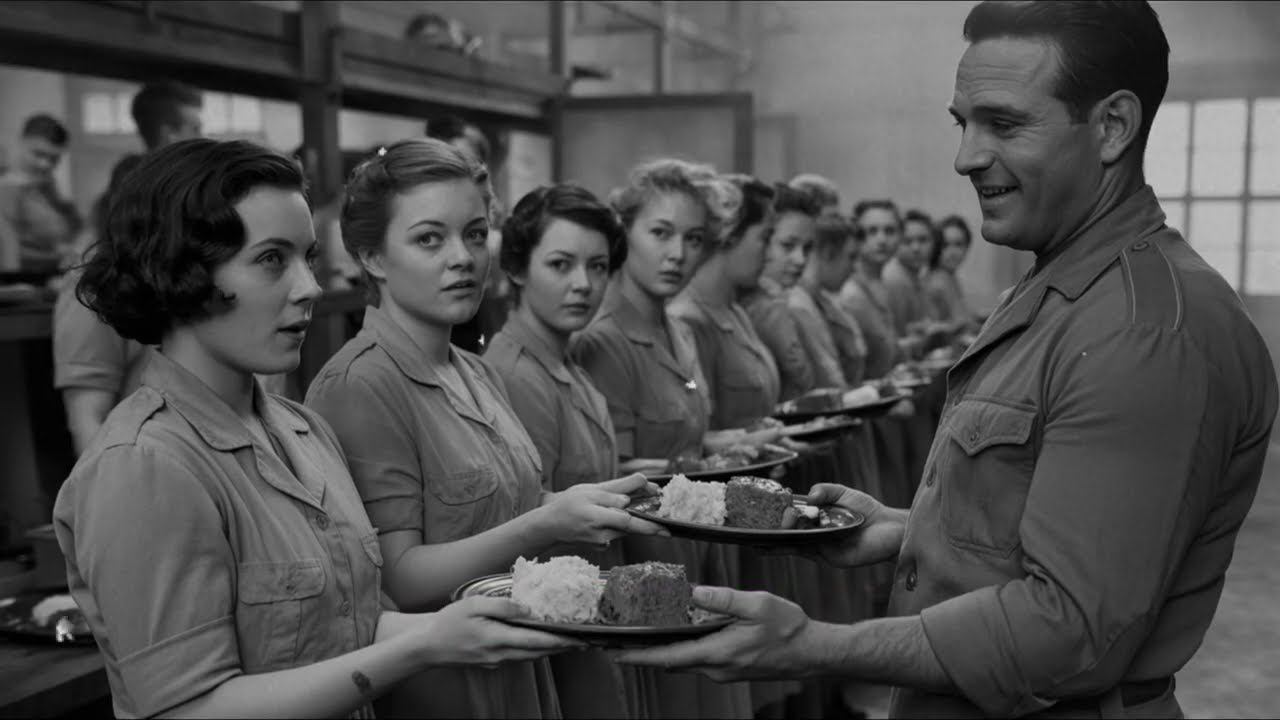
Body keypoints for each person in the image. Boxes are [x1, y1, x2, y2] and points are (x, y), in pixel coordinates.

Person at [614, 2, 1279, 718]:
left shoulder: (1140, 334)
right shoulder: (1062, 290)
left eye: (1004, 124)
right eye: (963, 124)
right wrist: (910, 531)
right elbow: (1046, 517)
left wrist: (818, 645)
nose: (966, 157)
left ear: (1112, 126)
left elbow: (1069, 632)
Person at [52, 138, 580, 719]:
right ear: (182, 270)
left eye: (307, 257)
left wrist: (471, 623)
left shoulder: (303, 431)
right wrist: (423, 646)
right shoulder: (143, 465)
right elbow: (186, 708)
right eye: (272, 260)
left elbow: (350, 623)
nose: (310, 286)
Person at [304, 138, 663, 719]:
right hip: (442, 688)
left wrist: (584, 501)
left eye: (474, 235)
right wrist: (546, 522)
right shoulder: (360, 386)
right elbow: (397, 577)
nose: (463, 258)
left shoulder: (473, 371)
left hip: (520, 672)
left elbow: (509, 505)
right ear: (372, 257)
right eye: (429, 238)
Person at [571, 158, 759, 720]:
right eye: (661, 233)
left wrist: (726, 445)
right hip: (644, 565)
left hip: (696, 548)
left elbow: (683, 434)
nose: (678, 253)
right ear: (624, 234)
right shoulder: (604, 339)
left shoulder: (677, 328)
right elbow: (613, 469)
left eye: (694, 238)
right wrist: (702, 469)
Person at [482, 183, 640, 719]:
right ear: (517, 268)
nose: (583, 284)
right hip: (556, 615)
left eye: (598, 267)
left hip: (591, 606)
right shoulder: (518, 375)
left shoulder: (563, 360)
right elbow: (529, 513)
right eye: (560, 264)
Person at [54, 79, 208, 456]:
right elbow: (87, 417)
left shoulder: (193, 268)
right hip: (140, 470)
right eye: (194, 127)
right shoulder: (94, 285)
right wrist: (110, 485)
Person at [427, 115, 508, 354]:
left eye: (472, 162)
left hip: (482, 322)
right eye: (454, 161)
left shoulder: (489, 221)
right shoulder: (424, 214)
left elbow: (499, 289)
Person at [739, 183, 822, 401]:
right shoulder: (764, 309)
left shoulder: (779, 303)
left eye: (807, 248)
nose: (800, 260)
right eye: (787, 245)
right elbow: (692, 386)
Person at [0, 114, 80, 274]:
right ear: (21, 142)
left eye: (54, 159)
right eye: (38, 154)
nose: (45, 164)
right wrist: (58, 254)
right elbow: (9, 254)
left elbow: (70, 227)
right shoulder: (7, 188)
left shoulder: (45, 185)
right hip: (26, 280)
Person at [924, 214, 981, 335]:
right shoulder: (939, 280)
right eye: (945, 245)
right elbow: (960, 325)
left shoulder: (949, 276)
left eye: (958, 244)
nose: (952, 252)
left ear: (967, 247)